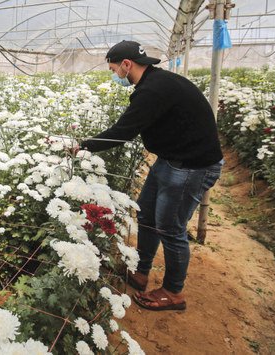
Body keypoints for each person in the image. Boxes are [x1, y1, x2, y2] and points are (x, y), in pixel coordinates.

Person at [79, 40, 223, 311]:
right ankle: (141, 270)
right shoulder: (156, 83)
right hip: (172, 159)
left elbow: (123, 131)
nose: (114, 75)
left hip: (191, 165)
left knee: (170, 228)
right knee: (145, 214)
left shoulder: (153, 90)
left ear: (126, 64)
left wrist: (83, 145)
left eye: (113, 69)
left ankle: (173, 292)